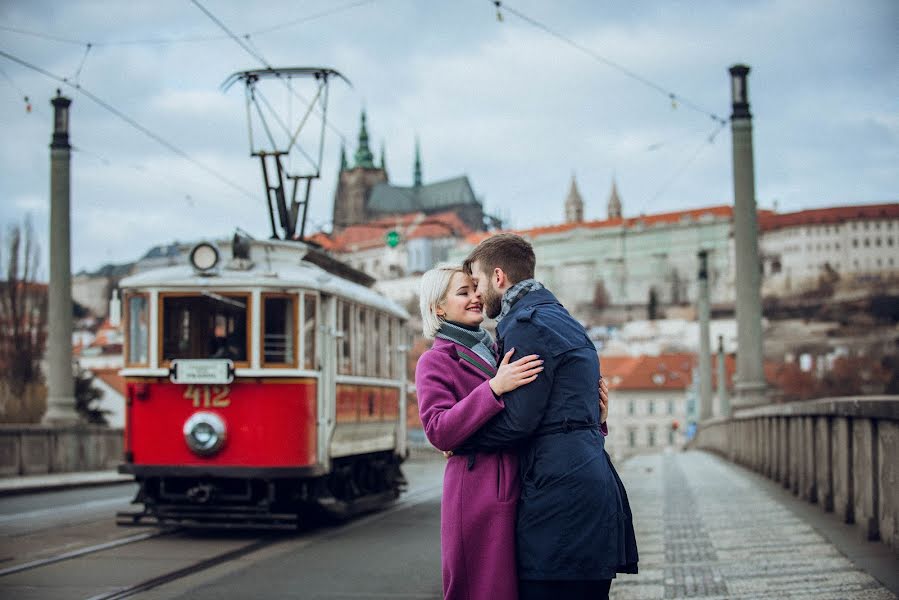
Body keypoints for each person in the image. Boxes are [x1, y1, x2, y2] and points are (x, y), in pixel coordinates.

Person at [456, 233, 638, 600]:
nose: (475, 295)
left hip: (559, 492)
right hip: (586, 479)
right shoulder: (561, 318)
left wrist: (462, 438)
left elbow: (520, 420)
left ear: (498, 277)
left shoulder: (526, 324)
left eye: (476, 284)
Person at [415, 265, 545, 600]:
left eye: (475, 288)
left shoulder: (497, 346)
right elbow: (437, 430)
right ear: (437, 308)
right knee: (483, 590)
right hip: (476, 493)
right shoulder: (435, 361)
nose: (476, 297)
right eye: (463, 292)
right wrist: (493, 389)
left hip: (514, 483)